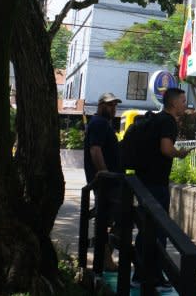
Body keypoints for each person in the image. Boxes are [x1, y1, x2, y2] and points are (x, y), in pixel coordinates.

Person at [130, 87, 192, 290]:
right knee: (159, 231)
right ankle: (154, 276)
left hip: (143, 181)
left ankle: (139, 274)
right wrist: (179, 153)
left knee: (146, 229)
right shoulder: (168, 122)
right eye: (183, 101)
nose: (185, 104)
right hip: (157, 184)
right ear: (173, 103)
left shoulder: (154, 120)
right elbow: (166, 149)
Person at [84, 92, 123, 272]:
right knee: (115, 219)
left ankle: (105, 257)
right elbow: (95, 149)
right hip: (107, 183)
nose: (113, 108)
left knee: (111, 219)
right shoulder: (99, 123)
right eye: (109, 105)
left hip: (110, 182)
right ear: (100, 105)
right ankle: (104, 259)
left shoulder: (101, 123)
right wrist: (104, 173)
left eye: (115, 105)